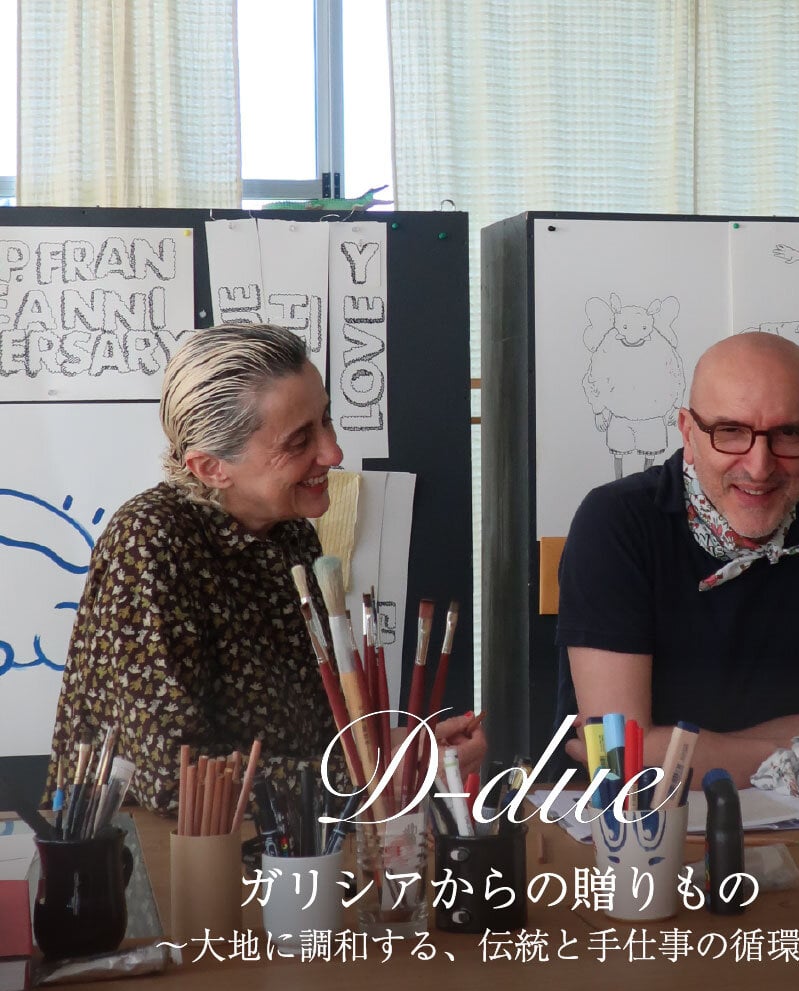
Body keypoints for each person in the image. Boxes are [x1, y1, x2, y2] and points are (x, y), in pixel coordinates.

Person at [47, 323, 485, 817]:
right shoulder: (151, 542)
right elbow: (172, 778)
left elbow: (310, 738)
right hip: (157, 854)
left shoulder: (290, 532)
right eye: (299, 441)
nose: (333, 453)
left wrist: (400, 749)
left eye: (326, 420)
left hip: (288, 843)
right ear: (211, 467)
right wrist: (374, 776)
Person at [557, 331, 799, 788]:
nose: (759, 466)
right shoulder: (616, 520)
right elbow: (619, 759)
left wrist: (670, 751)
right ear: (688, 433)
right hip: (632, 820)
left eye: (789, 434)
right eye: (730, 432)